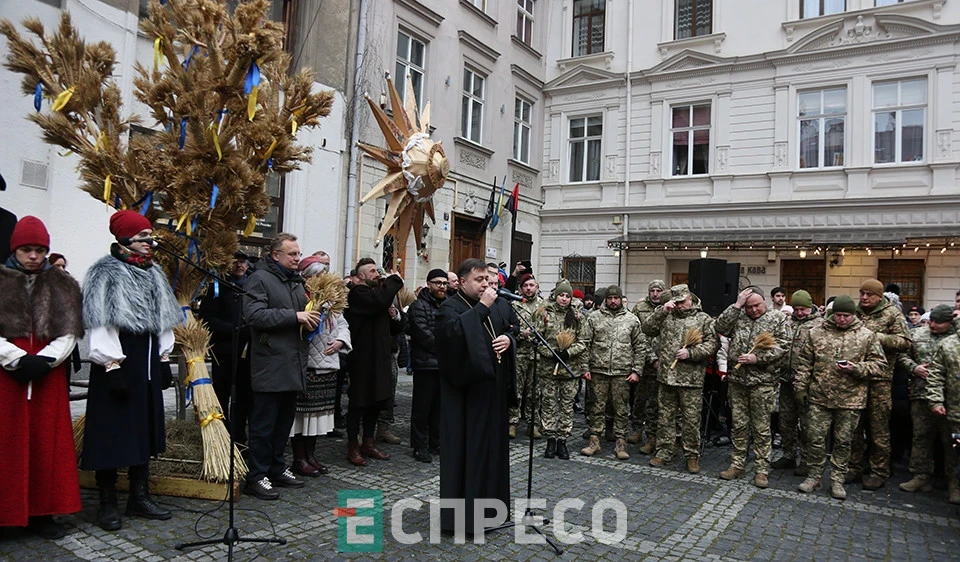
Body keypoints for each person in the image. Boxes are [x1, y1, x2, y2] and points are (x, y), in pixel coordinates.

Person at [81, 210, 181, 530]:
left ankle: (139, 496)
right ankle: (107, 502)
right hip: (120, 362)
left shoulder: (154, 272)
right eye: (143, 237)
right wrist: (112, 366)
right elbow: (101, 322)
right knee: (112, 431)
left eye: (151, 236)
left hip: (148, 363)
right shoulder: (106, 273)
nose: (150, 242)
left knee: (144, 428)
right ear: (125, 239)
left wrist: (164, 360)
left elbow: (164, 320)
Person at [0, 217, 83, 539]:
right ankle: (7, 513)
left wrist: (45, 360)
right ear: (15, 250)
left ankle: (43, 513)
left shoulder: (62, 284)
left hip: (47, 378)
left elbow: (69, 331)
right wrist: (16, 359)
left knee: (46, 445)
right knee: (7, 445)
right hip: (8, 378)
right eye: (26, 250)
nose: (33, 256)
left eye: (39, 250)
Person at [436, 258, 518, 534]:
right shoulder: (449, 308)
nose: (485, 284)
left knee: (491, 452)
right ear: (462, 282)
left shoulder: (494, 306)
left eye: (487, 279)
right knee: (467, 453)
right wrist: (482, 308)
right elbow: (453, 336)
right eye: (479, 280)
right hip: (463, 396)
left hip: (490, 394)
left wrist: (509, 340)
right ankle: (464, 520)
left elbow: (509, 327)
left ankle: (492, 511)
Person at [243, 233, 318, 500]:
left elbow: (301, 314)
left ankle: (276, 467)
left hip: (292, 363)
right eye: (293, 254)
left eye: (298, 254)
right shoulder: (260, 279)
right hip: (270, 363)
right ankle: (256, 476)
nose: (298, 258)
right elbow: (254, 315)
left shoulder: (295, 281)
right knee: (264, 425)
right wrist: (295, 316)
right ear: (276, 255)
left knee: (283, 423)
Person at [794, 295, 887, 500]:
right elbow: (804, 364)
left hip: (851, 399)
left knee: (843, 442)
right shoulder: (816, 333)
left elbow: (880, 365)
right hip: (819, 396)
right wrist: (800, 389)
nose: (841, 319)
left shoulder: (866, 335)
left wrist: (857, 369)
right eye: (838, 315)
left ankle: (837, 479)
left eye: (846, 315)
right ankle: (814, 476)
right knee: (815, 438)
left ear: (853, 315)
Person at [715, 288, 789, 488]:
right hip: (738, 381)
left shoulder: (777, 319)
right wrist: (737, 305)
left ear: (764, 302)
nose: (754, 310)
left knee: (762, 428)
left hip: (762, 382)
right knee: (738, 425)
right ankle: (737, 464)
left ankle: (762, 469)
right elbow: (719, 326)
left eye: (757, 305)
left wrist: (758, 358)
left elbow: (784, 346)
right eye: (749, 307)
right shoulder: (739, 317)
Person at [643, 284, 718, 473]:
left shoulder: (703, 319)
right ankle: (664, 451)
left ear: (690, 299)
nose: (680, 305)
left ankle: (692, 455)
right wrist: (662, 311)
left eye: (682, 302)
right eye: (676, 302)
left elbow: (713, 344)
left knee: (691, 420)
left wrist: (692, 353)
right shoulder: (666, 316)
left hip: (690, 379)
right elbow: (647, 329)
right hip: (666, 377)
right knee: (665, 418)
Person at [289, 255, 350, 476]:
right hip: (309, 364)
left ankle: (311, 455)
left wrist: (341, 341)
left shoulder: (330, 299)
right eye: (319, 275)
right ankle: (299, 458)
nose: (323, 278)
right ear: (309, 277)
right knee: (302, 416)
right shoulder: (301, 297)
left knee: (317, 416)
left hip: (327, 363)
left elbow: (342, 323)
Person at [851, 279, 912, 490]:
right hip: (854, 377)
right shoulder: (855, 312)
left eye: (869, 294)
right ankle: (855, 466)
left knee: (879, 428)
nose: (864, 298)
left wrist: (875, 338)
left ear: (879, 296)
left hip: (880, 379)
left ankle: (879, 470)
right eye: (862, 293)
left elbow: (905, 341)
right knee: (854, 427)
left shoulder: (892, 313)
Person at [344, 257, 404, 466]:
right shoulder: (358, 293)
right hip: (362, 359)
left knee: (376, 401)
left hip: (381, 357)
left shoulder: (379, 296)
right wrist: (394, 279)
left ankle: (368, 443)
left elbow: (395, 328)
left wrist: (394, 314)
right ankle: (353, 446)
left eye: (376, 271)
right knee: (359, 403)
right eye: (372, 271)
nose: (377, 274)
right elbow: (378, 300)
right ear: (361, 276)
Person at [578, 285, 646, 460]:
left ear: (621, 299)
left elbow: (640, 346)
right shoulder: (594, 318)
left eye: (616, 298)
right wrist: (584, 368)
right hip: (598, 371)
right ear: (605, 300)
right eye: (610, 298)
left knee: (621, 410)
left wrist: (637, 370)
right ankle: (594, 442)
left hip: (622, 373)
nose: (613, 301)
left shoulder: (632, 320)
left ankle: (621, 444)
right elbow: (585, 343)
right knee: (596, 407)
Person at [898, 304, 957, 499]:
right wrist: (914, 368)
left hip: (951, 400)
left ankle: (953, 482)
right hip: (921, 395)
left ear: (949, 323)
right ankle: (919, 475)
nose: (932, 325)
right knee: (921, 436)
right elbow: (902, 356)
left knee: (951, 443)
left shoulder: (955, 340)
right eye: (931, 321)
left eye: (938, 322)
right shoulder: (917, 334)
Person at [197, 251, 253, 445]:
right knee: (222, 393)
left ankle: (239, 435)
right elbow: (206, 318)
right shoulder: (217, 287)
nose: (239, 266)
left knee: (244, 395)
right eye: (235, 262)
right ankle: (222, 433)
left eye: (243, 262)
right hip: (223, 350)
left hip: (246, 352)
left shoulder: (251, 286)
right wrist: (234, 330)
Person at [771, 290, 822, 475]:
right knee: (786, 421)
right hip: (786, 381)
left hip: (808, 384)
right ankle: (789, 455)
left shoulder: (820, 325)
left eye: (803, 309)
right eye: (797, 309)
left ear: (810, 307)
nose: (800, 313)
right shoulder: (787, 323)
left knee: (807, 424)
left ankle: (807, 460)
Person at [536, 279, 586, 460]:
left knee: (566, 406)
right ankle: (550, 440)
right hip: (549, 369)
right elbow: (537, 339)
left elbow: (583, 342)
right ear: (556, 296)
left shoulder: (577, 317)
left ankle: (562, 441)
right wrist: (551, 353)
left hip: (569, 369)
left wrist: (568, 352)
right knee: (548, 404)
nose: (564, 299)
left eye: (567, 296)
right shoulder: (545, 314)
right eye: (561, 295)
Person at [406, 269, 447, 463]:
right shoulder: (418, 306)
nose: (442, 286)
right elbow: (422, 334)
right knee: (422, 408)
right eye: (437, 283)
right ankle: (419, 446)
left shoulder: (447, 305)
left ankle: (435, 442)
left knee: (439, 407)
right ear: (428, 284)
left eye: (444, 283)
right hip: (425, 364)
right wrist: (445, 348)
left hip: (443, 365)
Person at [629, 280, 667, 452]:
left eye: (659, 290)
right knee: (640, 398)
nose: (655, 294)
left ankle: (655, 436)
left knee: (657, 403)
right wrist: (651, 358)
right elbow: (637, 334)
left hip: (664, 364)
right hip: (645, 361)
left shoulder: (669, 308)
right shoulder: (640, 308)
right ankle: (637, 429)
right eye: (652, 290)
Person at [925, 322, 960, 503]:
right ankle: (954, 486)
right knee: (953, 452)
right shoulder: (948, 344)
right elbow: (936, 374)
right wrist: (936, 400)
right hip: (954, 410)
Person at [509, 273, 545, 439]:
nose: (529, 288)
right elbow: (507, 330)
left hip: (537, 355)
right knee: (516, 390)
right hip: (520, 353)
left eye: (532, 285)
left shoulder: (544, 306)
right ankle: (512, 422)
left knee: (534, 392)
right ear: (521, 288)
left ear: (537, 287)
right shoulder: (514, 304)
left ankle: (533, 424)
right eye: (526, 286)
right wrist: (520, 335)